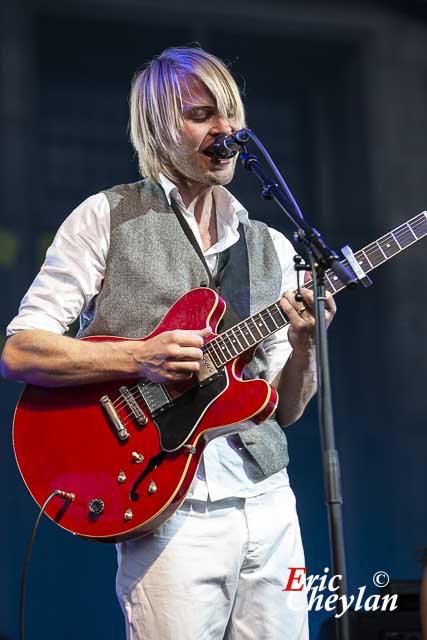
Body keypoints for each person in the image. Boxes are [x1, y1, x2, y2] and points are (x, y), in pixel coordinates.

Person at [1, 46, 336, 639]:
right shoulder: (106, 217)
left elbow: (285, 408)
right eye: (203, 114)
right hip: (167, 513)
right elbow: (21, 350)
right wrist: (139, 357)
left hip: (270, 507)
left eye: (231, 115)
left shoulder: (274, 246)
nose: (225, 130)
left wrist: (307, 344)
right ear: (159, 125)